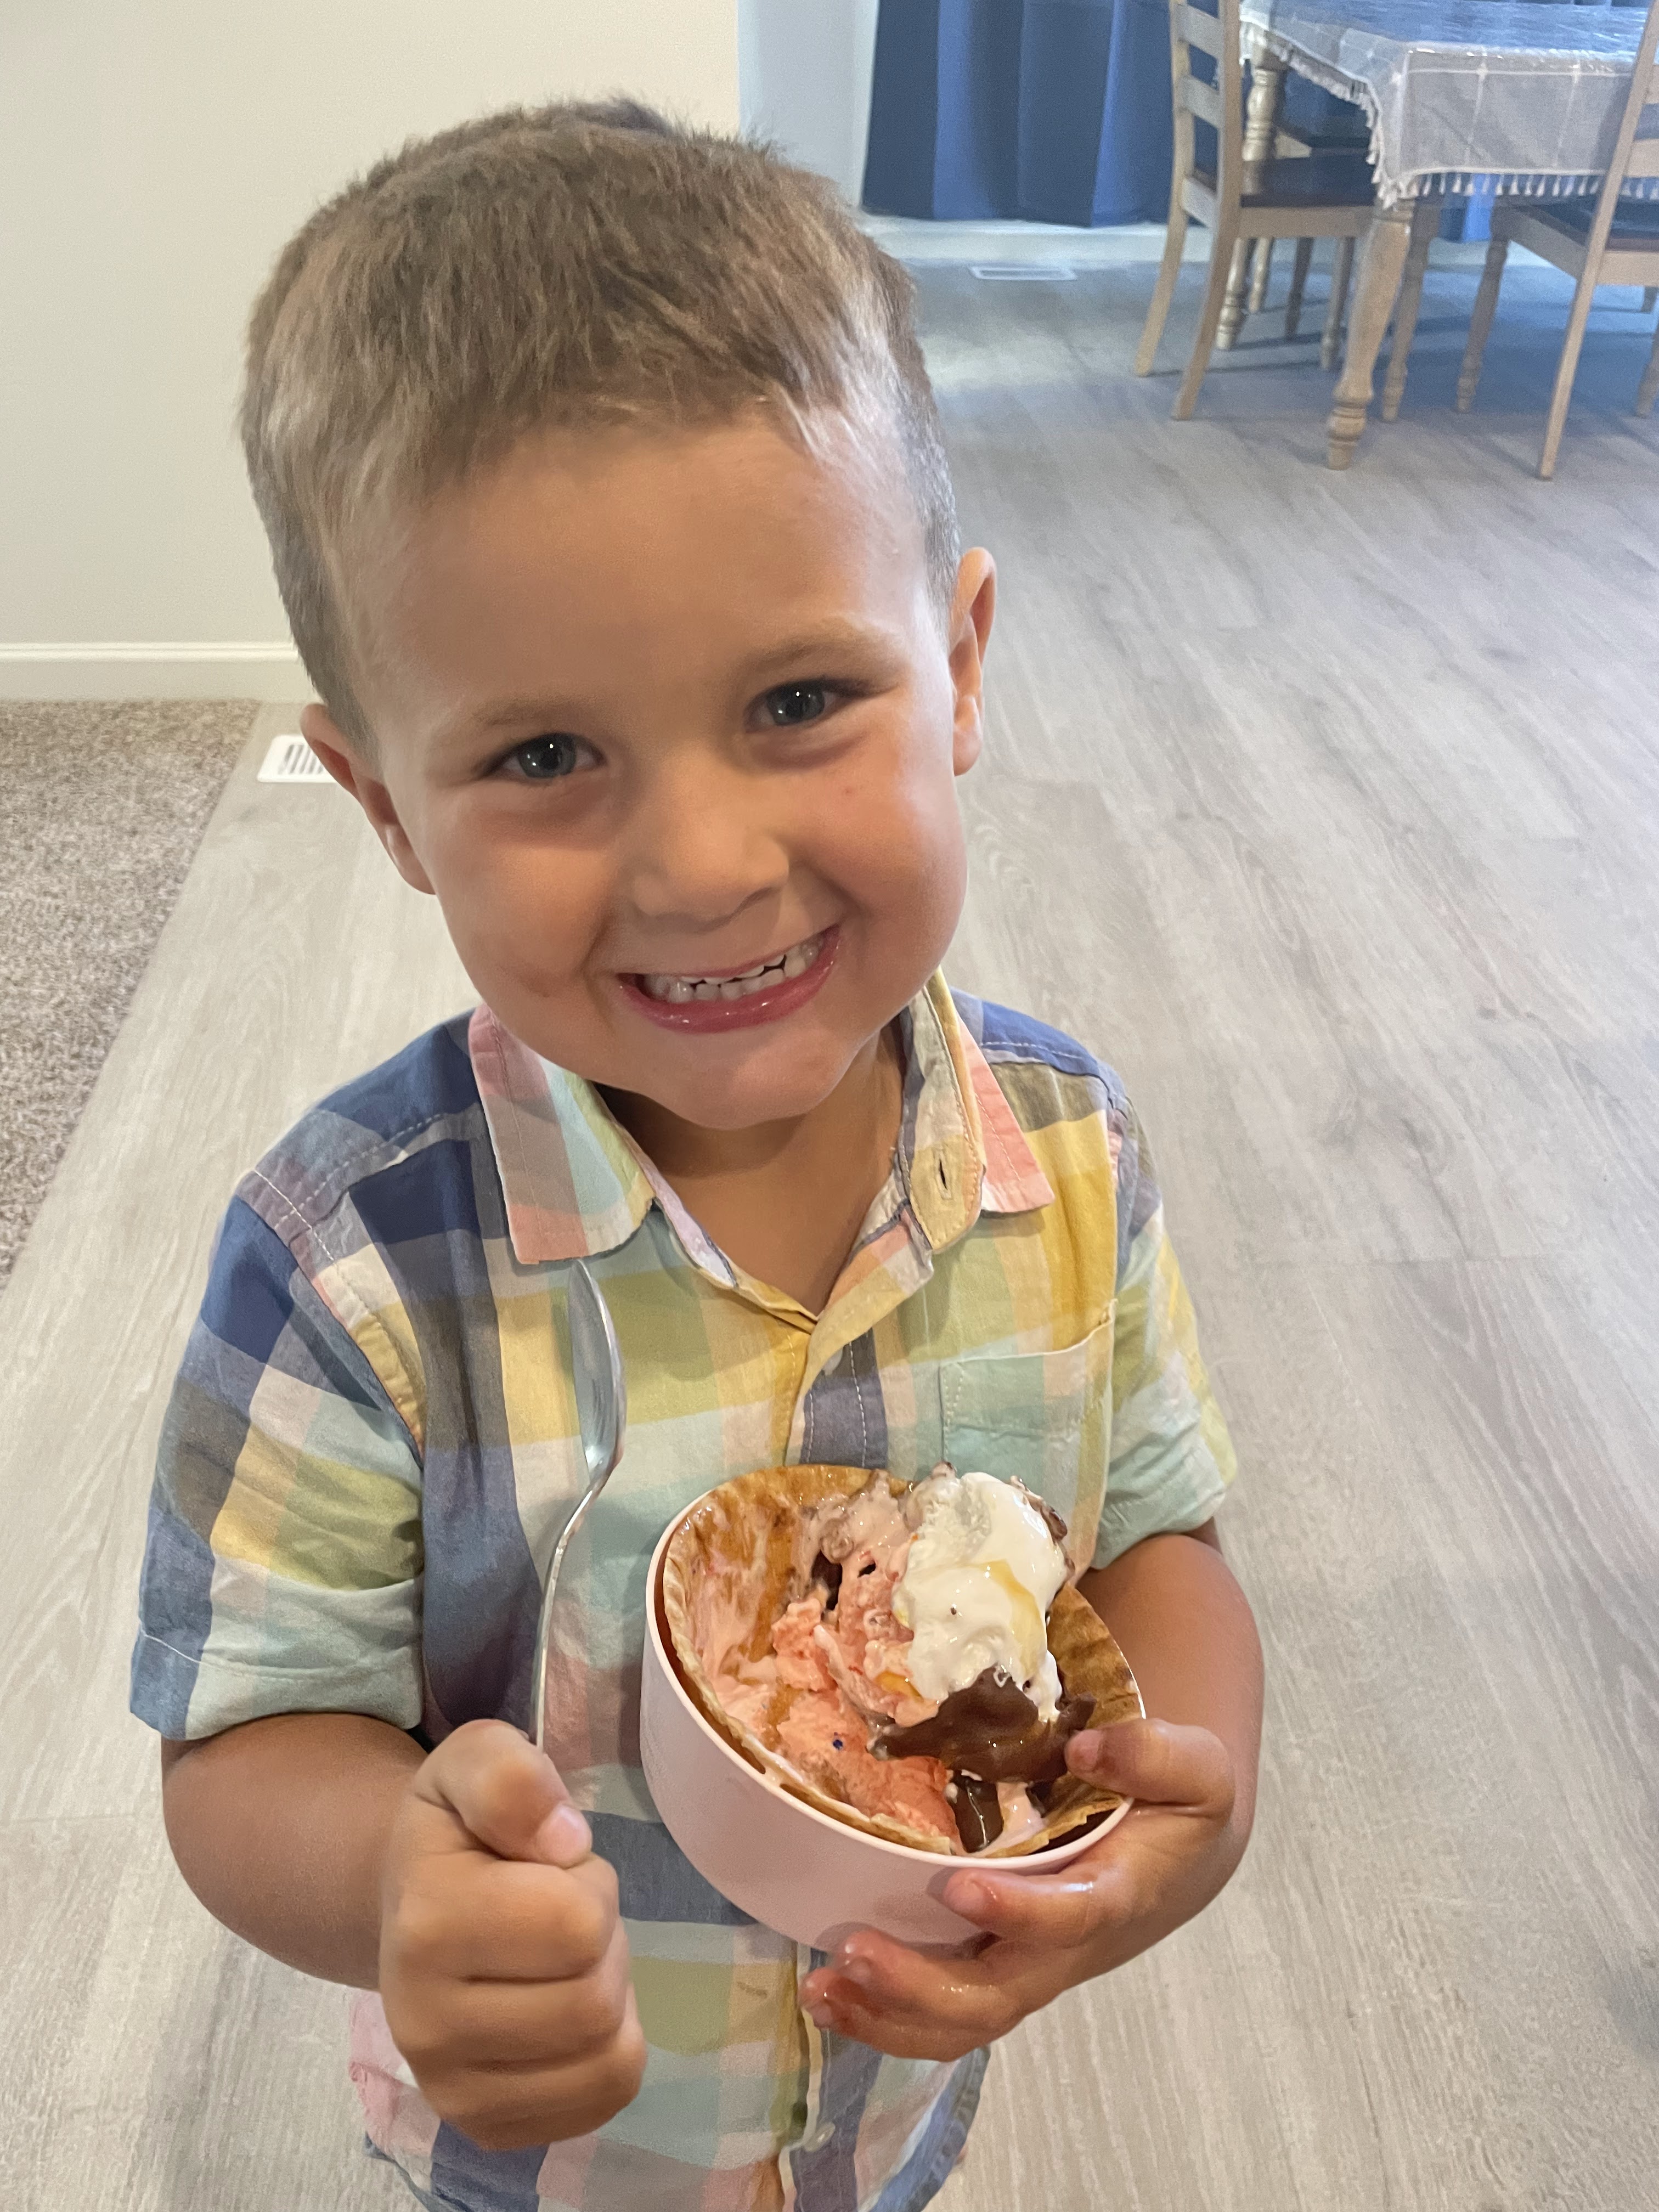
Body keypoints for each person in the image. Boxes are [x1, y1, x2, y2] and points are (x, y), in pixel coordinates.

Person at [131, 101, 1263, 2212]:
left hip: (888, 2119)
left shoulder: (1070, 1158)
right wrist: (398, 1881)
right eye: (547, 753)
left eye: (802, 700)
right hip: (544, 2150)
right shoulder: (350, 1265)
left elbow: (1153, 1550)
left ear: (959, 672)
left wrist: (1183, 1818)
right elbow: (245, 1734)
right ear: (388, 812)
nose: (702, 865)